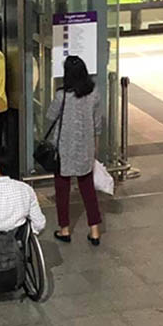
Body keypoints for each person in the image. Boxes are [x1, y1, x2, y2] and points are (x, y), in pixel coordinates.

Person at [47, 56, 103, 246]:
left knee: (62, 190)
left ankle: (65, 229)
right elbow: (97, 123)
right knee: (87, 189)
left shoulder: (61, 96)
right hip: (85, 147)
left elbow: (50, 115)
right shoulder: (94, 93)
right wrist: (95, 146)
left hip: (63, 149)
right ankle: (94, 230)